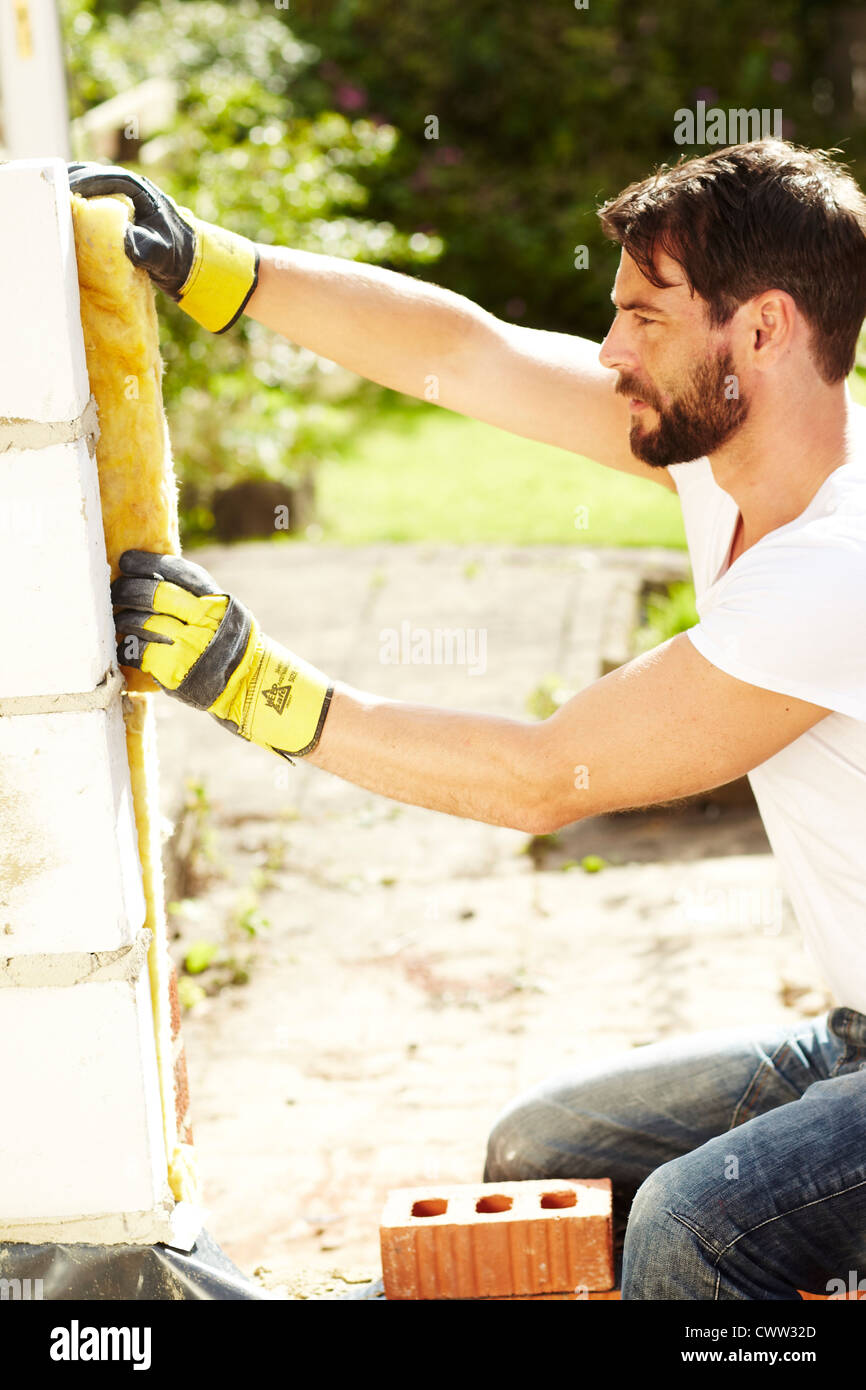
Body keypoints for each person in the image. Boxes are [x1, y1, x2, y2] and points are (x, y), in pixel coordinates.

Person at [69, 139, 866, 1300]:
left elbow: (547, 775)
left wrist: (256, 687)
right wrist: (223, 265)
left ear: (760, 330)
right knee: (543, 1155)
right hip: (851, 1040)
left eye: (644, 319)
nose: (610, 352)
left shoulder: (833, 569)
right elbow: (468, 355)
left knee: (695, 1230)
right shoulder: (729, 462)